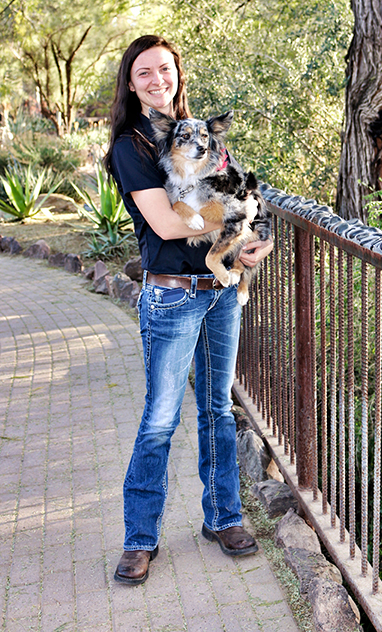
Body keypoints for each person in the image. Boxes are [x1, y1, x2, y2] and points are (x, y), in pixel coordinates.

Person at [103, 34, 273, 585]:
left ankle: (223, 518)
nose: (158, 79)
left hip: (222, 289)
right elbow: (170, 223)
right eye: (145, 72)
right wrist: (229, 220)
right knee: (160, 420)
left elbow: (249, 194)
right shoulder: (132, 146)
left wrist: (255, 239)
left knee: (218, 411)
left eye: (166, 69)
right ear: (131, 82)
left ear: (179, 74)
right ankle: (139, 538)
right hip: (173, 293)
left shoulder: (200, 135)